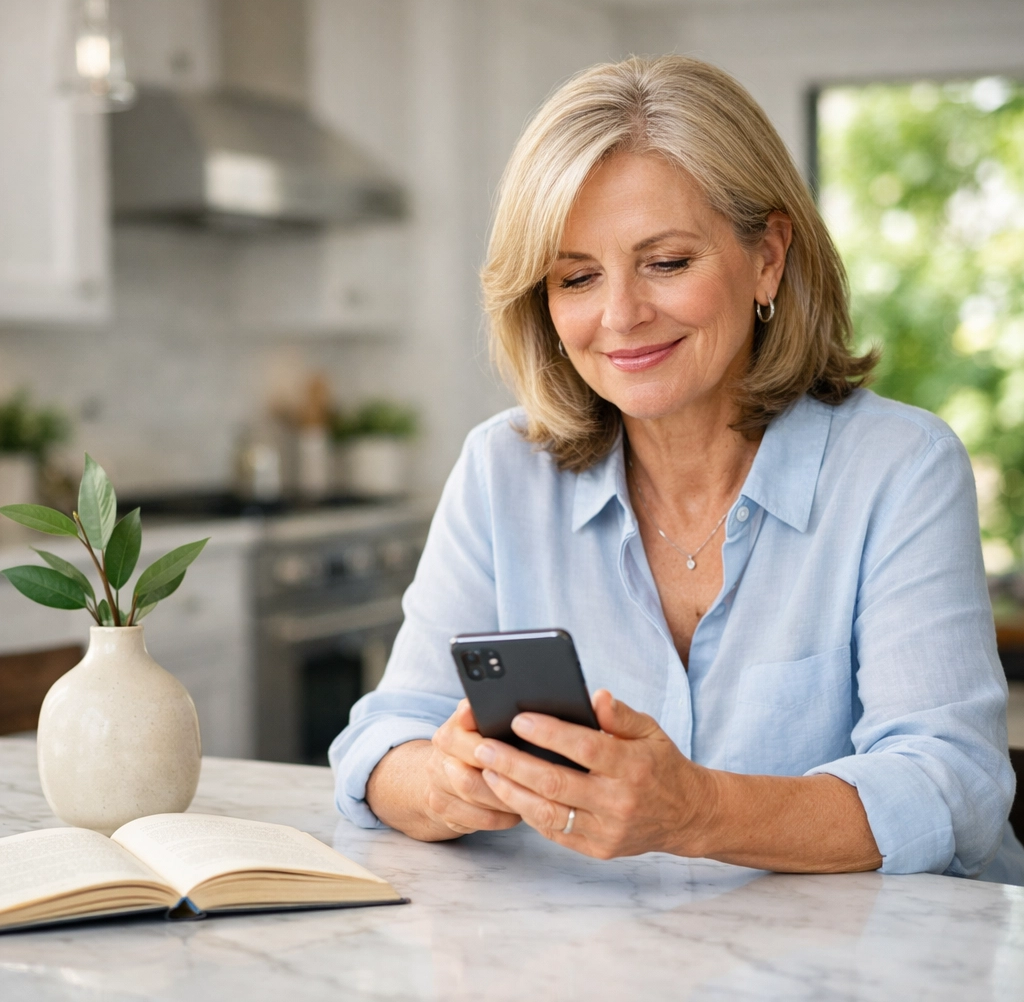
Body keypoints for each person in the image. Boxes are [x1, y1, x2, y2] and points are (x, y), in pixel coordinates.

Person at [330, 55, 1024, 882]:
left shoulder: (899, 468)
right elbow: (380, 742)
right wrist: (447, 781)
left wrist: (692, 810)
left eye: (666, 262)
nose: (620, 316)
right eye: (577, 277)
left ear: (767, 256)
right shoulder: (500, 471)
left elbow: (954, 786)